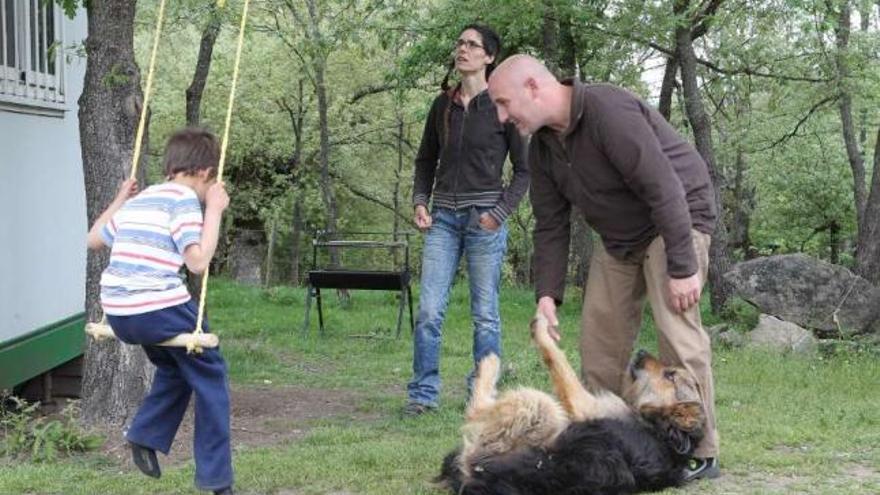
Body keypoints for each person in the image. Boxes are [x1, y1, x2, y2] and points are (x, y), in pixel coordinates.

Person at [487, 54, 721, 481]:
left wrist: (683, 266)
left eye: (504, 103)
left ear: (533, 88)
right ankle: (604, 443)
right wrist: (546, 296)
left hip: (674, 221)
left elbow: (664, 186)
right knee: (599, 343)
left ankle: (701, 452)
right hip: (619, 238)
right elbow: (551, 223)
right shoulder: (540, 148)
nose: (503, 117)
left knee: (677, 338)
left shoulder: (607, 111)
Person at [86, 128, 234, 495]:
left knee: (175, 366)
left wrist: (120, 198)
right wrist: (213, 210)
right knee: (211, 372)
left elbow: (92, 239)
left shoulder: (141, 200)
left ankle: (144, 435)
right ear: (203, 172)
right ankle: (217, 481)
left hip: (120, 312)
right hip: (155, 305)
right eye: (210, 183)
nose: (207, 191)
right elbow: (197, 262)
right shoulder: (183, 200)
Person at [405, 24, 529, 416]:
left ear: (489, 56)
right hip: (442, 217)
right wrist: (421, 201)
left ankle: (483, 394)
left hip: (484, 221)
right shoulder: (442, 105)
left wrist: (499, 214)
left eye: (471, 45)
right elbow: (425, 160)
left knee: (485, 314)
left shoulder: (503, 105)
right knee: (428, 311)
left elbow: (525, 171)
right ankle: (423, 395)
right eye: (459, 43)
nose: (462, 49)